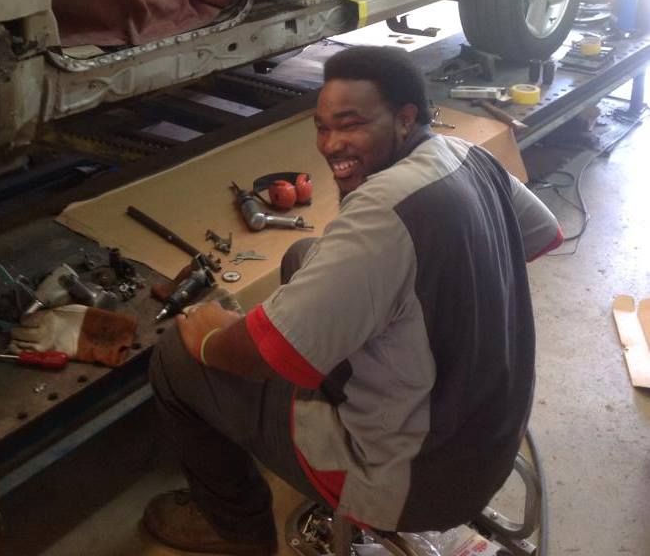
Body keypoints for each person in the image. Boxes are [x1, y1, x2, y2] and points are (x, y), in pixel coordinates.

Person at [144, 46, 562, 552]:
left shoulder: (382, 213)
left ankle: (235, 530)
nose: (331, 144)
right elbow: (542, 234)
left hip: (414, 481)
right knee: (305, 254)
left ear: (405, 119)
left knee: (173, 359)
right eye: (322, 127)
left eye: (351, 124)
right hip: (491, 431)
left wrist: (210, 338)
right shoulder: (465, 154)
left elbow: (258, 358)